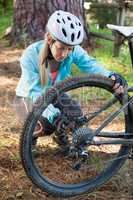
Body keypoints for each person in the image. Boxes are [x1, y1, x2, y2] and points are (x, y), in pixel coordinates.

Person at [13, 10, 127, 148]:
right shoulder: (30, 55)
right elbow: (36, 93)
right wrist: (55, 117)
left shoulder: (72, 51)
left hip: (54, 94)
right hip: (28, 99)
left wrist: (110, 75)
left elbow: (90, 65)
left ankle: (61, 137)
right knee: (48, 124)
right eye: (61, 48)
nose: (66, 54)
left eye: (70, 49)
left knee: (75, 114)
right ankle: (30, 136)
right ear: (50, 39)